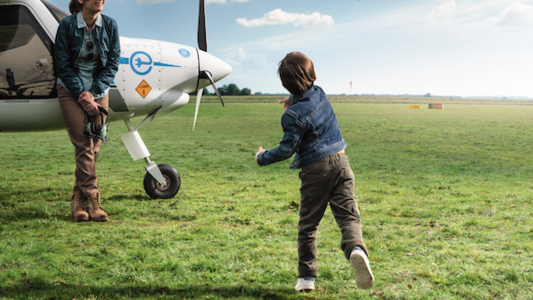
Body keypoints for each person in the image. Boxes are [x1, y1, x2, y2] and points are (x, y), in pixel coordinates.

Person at [255, 52, 374, 291]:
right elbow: (306, 95)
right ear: (314, 75)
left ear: (283, 84)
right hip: (342, 163)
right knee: (349, 217)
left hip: (315, 170)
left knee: (308, 225)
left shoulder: (291, 116)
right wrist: (294, 99)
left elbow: (286, 149)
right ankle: (356, 249)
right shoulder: (320, 93)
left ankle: (306, 278)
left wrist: (261, 156)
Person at [54, 0, 120, 222]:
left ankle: (77, 199)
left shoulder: (110, 25)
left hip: (99, 90)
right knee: (84, 142)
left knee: (95, 143)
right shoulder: (66, 26)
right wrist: (82, 95)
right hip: (70, 89)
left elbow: (112, 63)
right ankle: (92, 198)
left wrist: (93, 92)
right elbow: (62, 64)